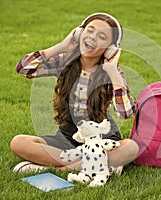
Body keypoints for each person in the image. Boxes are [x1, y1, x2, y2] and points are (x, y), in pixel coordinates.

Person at [10, 13, 139, 174]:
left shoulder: (112, 73)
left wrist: (113, 71)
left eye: (101, 36)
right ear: (79, 33)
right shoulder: (64, 61)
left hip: (101, 139)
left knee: (131, 148)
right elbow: (23, 69)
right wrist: (62, 46)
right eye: (90, 30)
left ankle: (59, 169)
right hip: (67, 137)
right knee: (18, 142)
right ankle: (97, 164)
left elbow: (126, 113)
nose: (92, 37)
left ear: (110, 48)